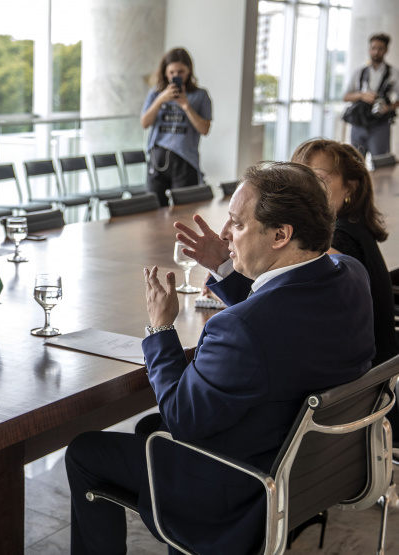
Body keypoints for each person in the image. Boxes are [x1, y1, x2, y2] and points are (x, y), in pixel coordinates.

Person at [65, 162, 375, 554]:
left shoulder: (241, 329)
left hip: (240, 490)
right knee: (146, 427)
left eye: (238, 225)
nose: (226, 233)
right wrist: (226, 266)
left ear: (281, 234)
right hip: (309, 476)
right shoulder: (349, 274)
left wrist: (161, 329)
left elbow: (181, 418)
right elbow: (282, 318)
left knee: (85, 452)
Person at [292, 139, 398, 366]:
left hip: (359, 383)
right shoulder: (352, 224)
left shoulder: (336, 242)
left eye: (320, 180)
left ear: (350, 186)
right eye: (300, 178)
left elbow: (293, 311)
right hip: (374, 373)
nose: (306, 189)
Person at [140, 47, 213, 207]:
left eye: (180, 72)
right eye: (172, 72)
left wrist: (186, 106)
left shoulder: (200, 96)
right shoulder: (155, 94)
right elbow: (144, 123)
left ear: (189, 71)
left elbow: (204, 129)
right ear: (165, 72)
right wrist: (160, 100)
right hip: (157, 160)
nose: (176, 76)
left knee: (184, 211)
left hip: (185, 160)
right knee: (154, 210)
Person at [343, 33, 398, 157]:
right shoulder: (359, 72)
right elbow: (345, 96)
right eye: (373, 48)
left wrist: (388, 108)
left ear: (386, 50)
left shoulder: (394, 73)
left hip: (380, 125)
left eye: (380, 48)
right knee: (355, 163)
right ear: (369, 49)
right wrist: (362, 96)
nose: (376, 52)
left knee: (380, 163)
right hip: (359, 124)